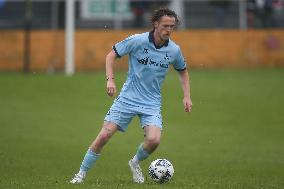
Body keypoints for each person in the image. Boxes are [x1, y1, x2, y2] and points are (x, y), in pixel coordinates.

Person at [70, 7, 192, 184]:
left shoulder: (174, 50)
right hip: (127, 98)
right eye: (165, 26)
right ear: (155, 24)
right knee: (104, 135)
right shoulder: (138, 40)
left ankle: (135, 162)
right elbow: (111, 55)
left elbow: (183, 72)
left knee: (154, 140)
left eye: (172, 26)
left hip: (151, 102)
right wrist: (110, 80)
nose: (169, 30)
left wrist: (186, 96)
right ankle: (80, 174)